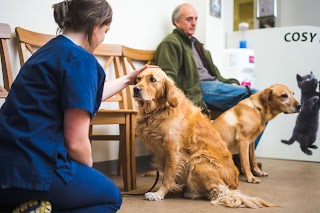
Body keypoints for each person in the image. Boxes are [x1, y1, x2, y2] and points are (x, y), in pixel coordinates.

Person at [0, 0, 154, 212]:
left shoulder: (49, 51)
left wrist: (128, 79)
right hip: (33, 171)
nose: (102, 38)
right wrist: (86, 174)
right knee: (110, 198)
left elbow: (86, 96)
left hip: (6, 167)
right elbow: (76, 142)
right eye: (105, 31)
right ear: (94, 27)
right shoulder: (81, 59)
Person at [154, 3, 264, 169]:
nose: (194, 23)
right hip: (201, 89)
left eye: (196, 19)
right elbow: (167, 78)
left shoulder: (198, 46)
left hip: (214, 86)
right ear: (177, 22)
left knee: (261, 104)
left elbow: (217, 76)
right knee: (259, 98)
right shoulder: (171, 43)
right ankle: (240, 160)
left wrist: (231, 83)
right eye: (189, 19)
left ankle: (238, 157)